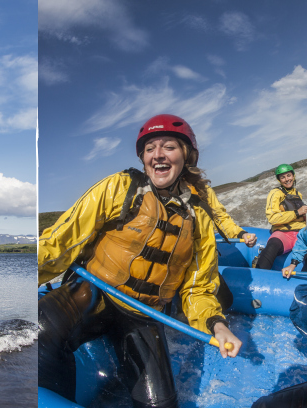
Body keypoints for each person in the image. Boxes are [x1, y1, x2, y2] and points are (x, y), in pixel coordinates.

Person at [38, 114, 242, 407]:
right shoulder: (121, 188)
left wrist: (217, 324)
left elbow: (198, 287)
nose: (158, 154)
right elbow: (61, 242)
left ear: (186, 155)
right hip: (94, 293)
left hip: (144, 313)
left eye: (169, 147)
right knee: (40, 328)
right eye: (150, 148)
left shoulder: (199, 218)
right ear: (143, 158)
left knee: (159, 404)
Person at [255, 164, 307, 270]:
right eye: (283, 177)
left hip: (299, 234)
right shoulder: (275, 193)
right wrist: (296, 213)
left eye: (289, 175)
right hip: (283, 233)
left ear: (293, 176)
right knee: (272, 245)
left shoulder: (298, 194)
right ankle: (260, 274)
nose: (287, 179)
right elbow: (272, 218)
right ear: (279, 180)